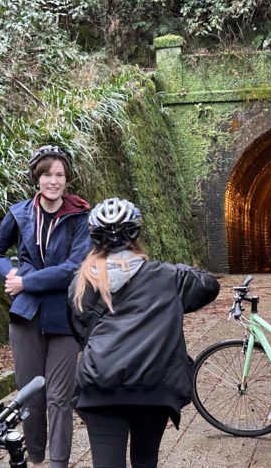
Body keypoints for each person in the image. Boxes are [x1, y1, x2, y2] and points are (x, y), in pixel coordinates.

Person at [68, 197, 220, 468]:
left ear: (94, 240)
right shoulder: (169, 277)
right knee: (145, 461)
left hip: (100, 388)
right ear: (136, 236)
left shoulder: (81, 284)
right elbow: (208, 285)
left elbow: (82, 331)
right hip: (154, 388)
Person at [0, 145, 91, 468]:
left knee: (59, 397)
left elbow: (75, 267)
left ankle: (58, 462)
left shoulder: (80, 217)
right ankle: (36, 459)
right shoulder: (19, 214)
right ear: (37, 178)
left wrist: (27, 281)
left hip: (64, 317)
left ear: (67, 179)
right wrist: (10, 272)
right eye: (47, 174)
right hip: (26, 316)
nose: (53, 181)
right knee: (30, 396)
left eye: (59, 175)